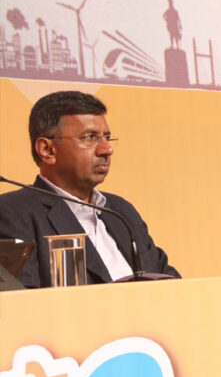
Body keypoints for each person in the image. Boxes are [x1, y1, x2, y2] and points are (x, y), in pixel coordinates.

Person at [0, 91, 179, 287]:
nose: (107, 149)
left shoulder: (120, 211)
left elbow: (169, 282)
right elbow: (23, 298)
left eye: (107, 138)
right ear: (47, 150)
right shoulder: (12, 213)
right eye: (90, 137)